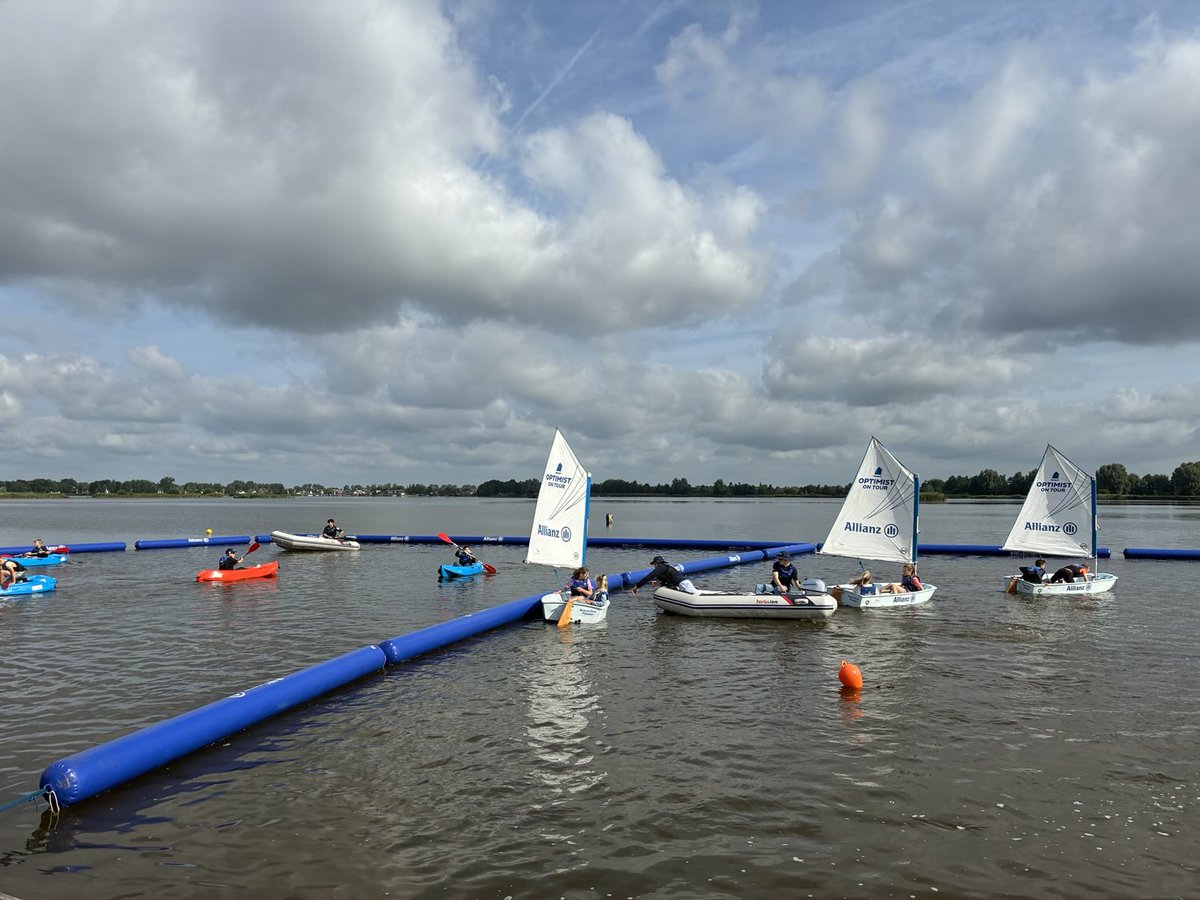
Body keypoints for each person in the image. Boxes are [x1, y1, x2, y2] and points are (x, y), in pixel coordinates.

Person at [631, 555, 698, 595]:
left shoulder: (661, 567)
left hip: (683, 584)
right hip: (681, 584)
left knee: (695, 594)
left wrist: (637, 586)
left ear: (656, 563)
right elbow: (666, 582)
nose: (654, 566)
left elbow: (648, 577)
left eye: (654, 564)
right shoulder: (666, 568)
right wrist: (658, 583)